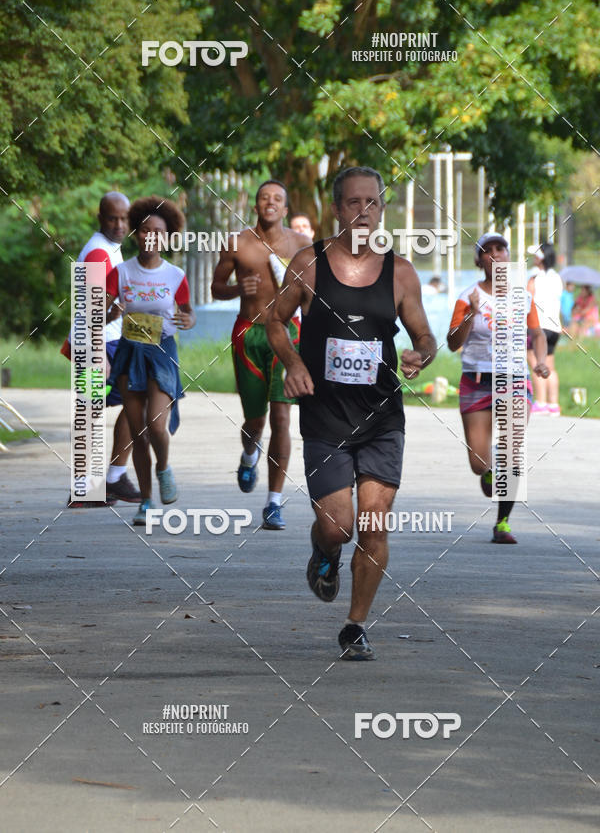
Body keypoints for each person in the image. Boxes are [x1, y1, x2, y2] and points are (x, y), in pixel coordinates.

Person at [266, 166, 436, 661]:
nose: (364, 212)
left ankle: (355, 625)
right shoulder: (308, 263)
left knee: (374, 523)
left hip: (382, 417)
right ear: (336, 209)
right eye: (354, 202)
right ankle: (325, 551)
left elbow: (424, 335)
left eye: (373, 203)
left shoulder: (399, 272)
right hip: (326, 417)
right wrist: (293, 362)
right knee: (339, 526)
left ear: (382, 210)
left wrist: (420, 354)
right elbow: (275, 322)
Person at [211, 181, 312, 530]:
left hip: (286, 333)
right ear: (256, 205)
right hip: (248, 333)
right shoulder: (237, 243)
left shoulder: (302, 246)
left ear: (285, 209)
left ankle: (273, 502)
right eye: (264, 198)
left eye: (278, 199)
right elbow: (216, 287)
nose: (270, 203)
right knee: (255, 421)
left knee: (283, 419)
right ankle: (249, 453)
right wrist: (238, 288)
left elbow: (313, 295)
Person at [447, 232, 550, 545]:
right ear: (479, 260)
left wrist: (541, 360)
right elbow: (452, 343)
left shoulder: (524, 297)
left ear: (508, 256)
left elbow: (538, 334)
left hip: (515, 381)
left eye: (500, 249)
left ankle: (503, 522)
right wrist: (472, 315)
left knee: (511, 452)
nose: (495, 254)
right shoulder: (468, 296)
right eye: (487, 250)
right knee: (480, 464)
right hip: (477, 382)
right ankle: (490, 472)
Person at [105, 196, 195, 525]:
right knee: (138, 432)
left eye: (158, 232)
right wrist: (110, 312)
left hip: (162, 351)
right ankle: (145, 500)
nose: (150, 237)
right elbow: (97, 312)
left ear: (166, 237)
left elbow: (188, 314)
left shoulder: (175, 275)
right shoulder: (122, 272)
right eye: (145, 231)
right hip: (131, 351)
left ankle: (164, 467)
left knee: (156, 425)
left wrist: (188, 321)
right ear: (136, 234)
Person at [60, 191, 140, 508]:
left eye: (124, 219)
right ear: (100, 218)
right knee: (90, 410)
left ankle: (112, 479)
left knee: (138, 403)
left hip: (110, 339)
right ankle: (84, 488)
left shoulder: (110, 249)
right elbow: (88, 310)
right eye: (112, 218)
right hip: (95, 342)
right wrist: (97, 353)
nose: (120, 224)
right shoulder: (97, 253)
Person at [526, 243, 563, 415]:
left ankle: (540, 402)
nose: (534, 258)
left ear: (541, 258)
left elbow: (527, 297)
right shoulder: (556, 277)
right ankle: (553, 404)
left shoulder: (535, 276)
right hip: (554, 327)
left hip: (538, 327)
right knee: (550, 366)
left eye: (536, 256)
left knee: (535, 362)